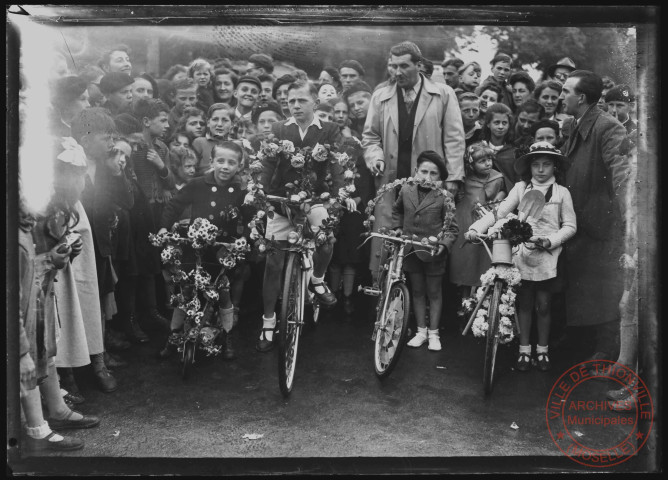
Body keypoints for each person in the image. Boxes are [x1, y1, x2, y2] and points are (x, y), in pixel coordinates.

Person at [466, 141, 577, 371]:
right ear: (529, 166)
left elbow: (570, 226)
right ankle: (524, 349)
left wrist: (551, 240)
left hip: (548, 255)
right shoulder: (520, 188)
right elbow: (499, 213)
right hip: (523, 253)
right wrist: (477, 228)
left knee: (544, 305)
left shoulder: (562, 192)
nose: (541, 170)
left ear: (554, 167)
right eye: (536, 164)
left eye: (546, 164)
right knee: (524, 304)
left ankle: (542, 350)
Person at [363, 41, 465, 279]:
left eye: (404, 66)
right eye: (393, 66)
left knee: (423, 245)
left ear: (419, 66)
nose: (397, 72)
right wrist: (375, 158)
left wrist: (453, 177)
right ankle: (384, 297)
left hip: (427, 184)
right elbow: (370, 137)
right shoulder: (380, 97)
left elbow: (454, 138)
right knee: (387, 241)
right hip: (391, 181)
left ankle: (418, 304)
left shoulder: (442, 94)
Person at [256, 80, 344, 352]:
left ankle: (317, 280)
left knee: (326, 239)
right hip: (282, 202)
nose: (295, 105)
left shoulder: (330, 130)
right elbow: (268, 163)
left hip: (315, 200)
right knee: (273, 264)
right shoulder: (280, 129)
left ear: (315, 103)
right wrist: (259, 188)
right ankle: (268, 322)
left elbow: (338, 165)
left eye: (301, 100)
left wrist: (342, 193)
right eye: (291, 101)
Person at [18, 182, 99, 453]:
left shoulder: (26, 227)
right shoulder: (16, 237)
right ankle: (37, 430)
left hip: (39, 294)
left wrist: (59, 256)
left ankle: (57, 410)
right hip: (24, 306)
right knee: (27, 360)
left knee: (46, 348)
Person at [559, 69, 630, 367]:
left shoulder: (608, 127)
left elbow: (622, 171)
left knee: (603, 287)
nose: (562, 96)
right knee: (581, 283)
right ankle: (582, 342)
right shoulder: (573, 125)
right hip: (579, 219)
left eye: (565, 91)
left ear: (582, 97)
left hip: (601, 224)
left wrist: (630, 218)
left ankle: (605, 349)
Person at [158, 142, 253, 360]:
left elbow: (250, 220)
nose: (225, 166)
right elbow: (174, 205)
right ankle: (173, 338)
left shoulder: (241, 190)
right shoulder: (197, 184)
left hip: (223, 249)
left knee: (222, 292)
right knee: (186, 290)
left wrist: (244, 240)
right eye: (220, 161)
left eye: (231, 162)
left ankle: (227, 335)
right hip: (196, 247)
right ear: (211, 162)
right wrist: (164, 226)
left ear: (240, 166)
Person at [70, 108, 135, 370]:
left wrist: (118, 174)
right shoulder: (71, 165)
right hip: (77, 246)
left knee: (101, 295)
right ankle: (78, 364)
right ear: (86, 140)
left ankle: (99, 356)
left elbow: (125, 202)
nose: (111, 144)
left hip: (101, 243)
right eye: (106, 138)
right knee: (78, 300)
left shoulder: (106, 167)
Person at [51, 138, 113, 401]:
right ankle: (65, 373)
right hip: (54, 264)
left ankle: (96, 360)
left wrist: (74, 240)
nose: (80, 182)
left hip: (77, 258)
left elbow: (81, 230)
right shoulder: (47, 198)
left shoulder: (75, 203)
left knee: (87, 304)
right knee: (61, 314)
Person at [392, 151, 459, 351]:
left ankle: (434, 333)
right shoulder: (406, 189)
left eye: (433, 174)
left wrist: (443, 245)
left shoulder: (444, 197)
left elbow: (452, 228)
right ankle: (421, 331)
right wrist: (397, 227)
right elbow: (397, 210)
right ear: (415, 171)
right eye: (423, 172)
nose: (427, 178)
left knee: (434, 292)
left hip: (432, 251)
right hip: (411, 248)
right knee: (418, 291)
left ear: (440, 178)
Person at [449, 142, 506, 295]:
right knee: (467, 260)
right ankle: (465, 299)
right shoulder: (465, 180)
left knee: (484, 260)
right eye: (482, 161)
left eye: (489, 159)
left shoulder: (498, 177)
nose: (488, 163)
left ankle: (483, 300)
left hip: (487, 220)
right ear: (471, 164)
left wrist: (500, 196)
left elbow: (503, 194)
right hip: (465, 220)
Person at [480, 103, 517, 193]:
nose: (500, 127)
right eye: (496, 122)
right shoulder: (479, 148)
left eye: (504, 123)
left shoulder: (514, 152)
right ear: (488, 124)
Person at [192, 103, 236, 172]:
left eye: (225, 120)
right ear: (208, 122)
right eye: (215, 119)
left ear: (232, 124)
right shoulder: (199, 143)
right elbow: (191, 170)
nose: (219, 124)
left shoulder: (234, 145)